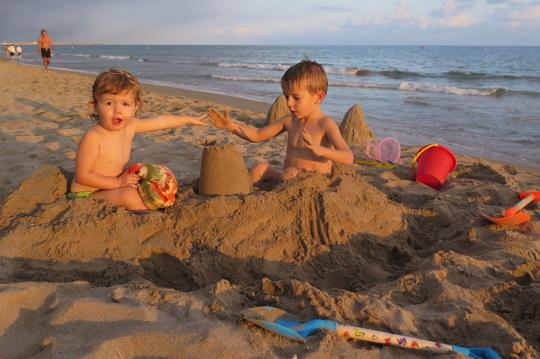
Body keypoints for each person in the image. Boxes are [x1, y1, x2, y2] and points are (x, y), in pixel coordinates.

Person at [69, 69, 207, 210]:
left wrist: (188, 120)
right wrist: (118, 182)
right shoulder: (93, 138)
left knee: (150, 178)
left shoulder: (131, 126)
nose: (118, 110)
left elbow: (161, 122)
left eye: (125, 104)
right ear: (94, 107)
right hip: (87, 194)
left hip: (111, 187)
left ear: (135, 107)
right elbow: (82, 176)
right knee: (129, 195)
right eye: (109, 103)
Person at [208, 60, 353, 184]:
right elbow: (258, 135)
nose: (289, 103)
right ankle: (243, 193)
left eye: (296, 98)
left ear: (318, 97)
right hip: (285, 178)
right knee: (259, 168)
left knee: (290, 173)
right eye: (286, 97)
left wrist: (319, 150)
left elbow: (348, 157)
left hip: (312, 184)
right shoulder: (289, 121)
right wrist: (231, 126)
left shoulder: (325, 124)